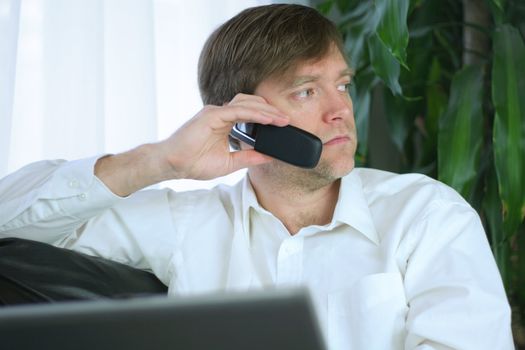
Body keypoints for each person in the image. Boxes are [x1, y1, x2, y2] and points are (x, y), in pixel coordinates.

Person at [0, 4, 514, 349]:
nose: (340, 110)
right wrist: (160, 160)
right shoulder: (187, 225)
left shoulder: (424, 215)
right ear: (242, 118)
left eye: (342, 85)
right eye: (306, 92)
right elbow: (11, 227)